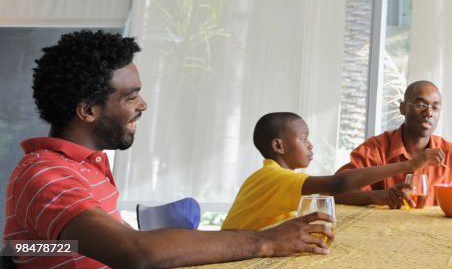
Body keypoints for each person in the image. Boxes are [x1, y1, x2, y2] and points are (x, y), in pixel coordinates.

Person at [3, 30, 334, 269]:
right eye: (130, 97)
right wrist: (267, 241)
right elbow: (133, 253)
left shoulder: (86, 165)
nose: (143, 105)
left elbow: (72, 249)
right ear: (88, 110)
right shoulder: (47, 175)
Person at [222, 112, 444, 229]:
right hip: (236, 254)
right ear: (279, 146)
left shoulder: (281, 178)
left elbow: (333, 196)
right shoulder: (274, 176)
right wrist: (410, 165)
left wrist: (377, 195)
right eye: (303, 138)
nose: (310, 144)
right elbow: (339, 183)